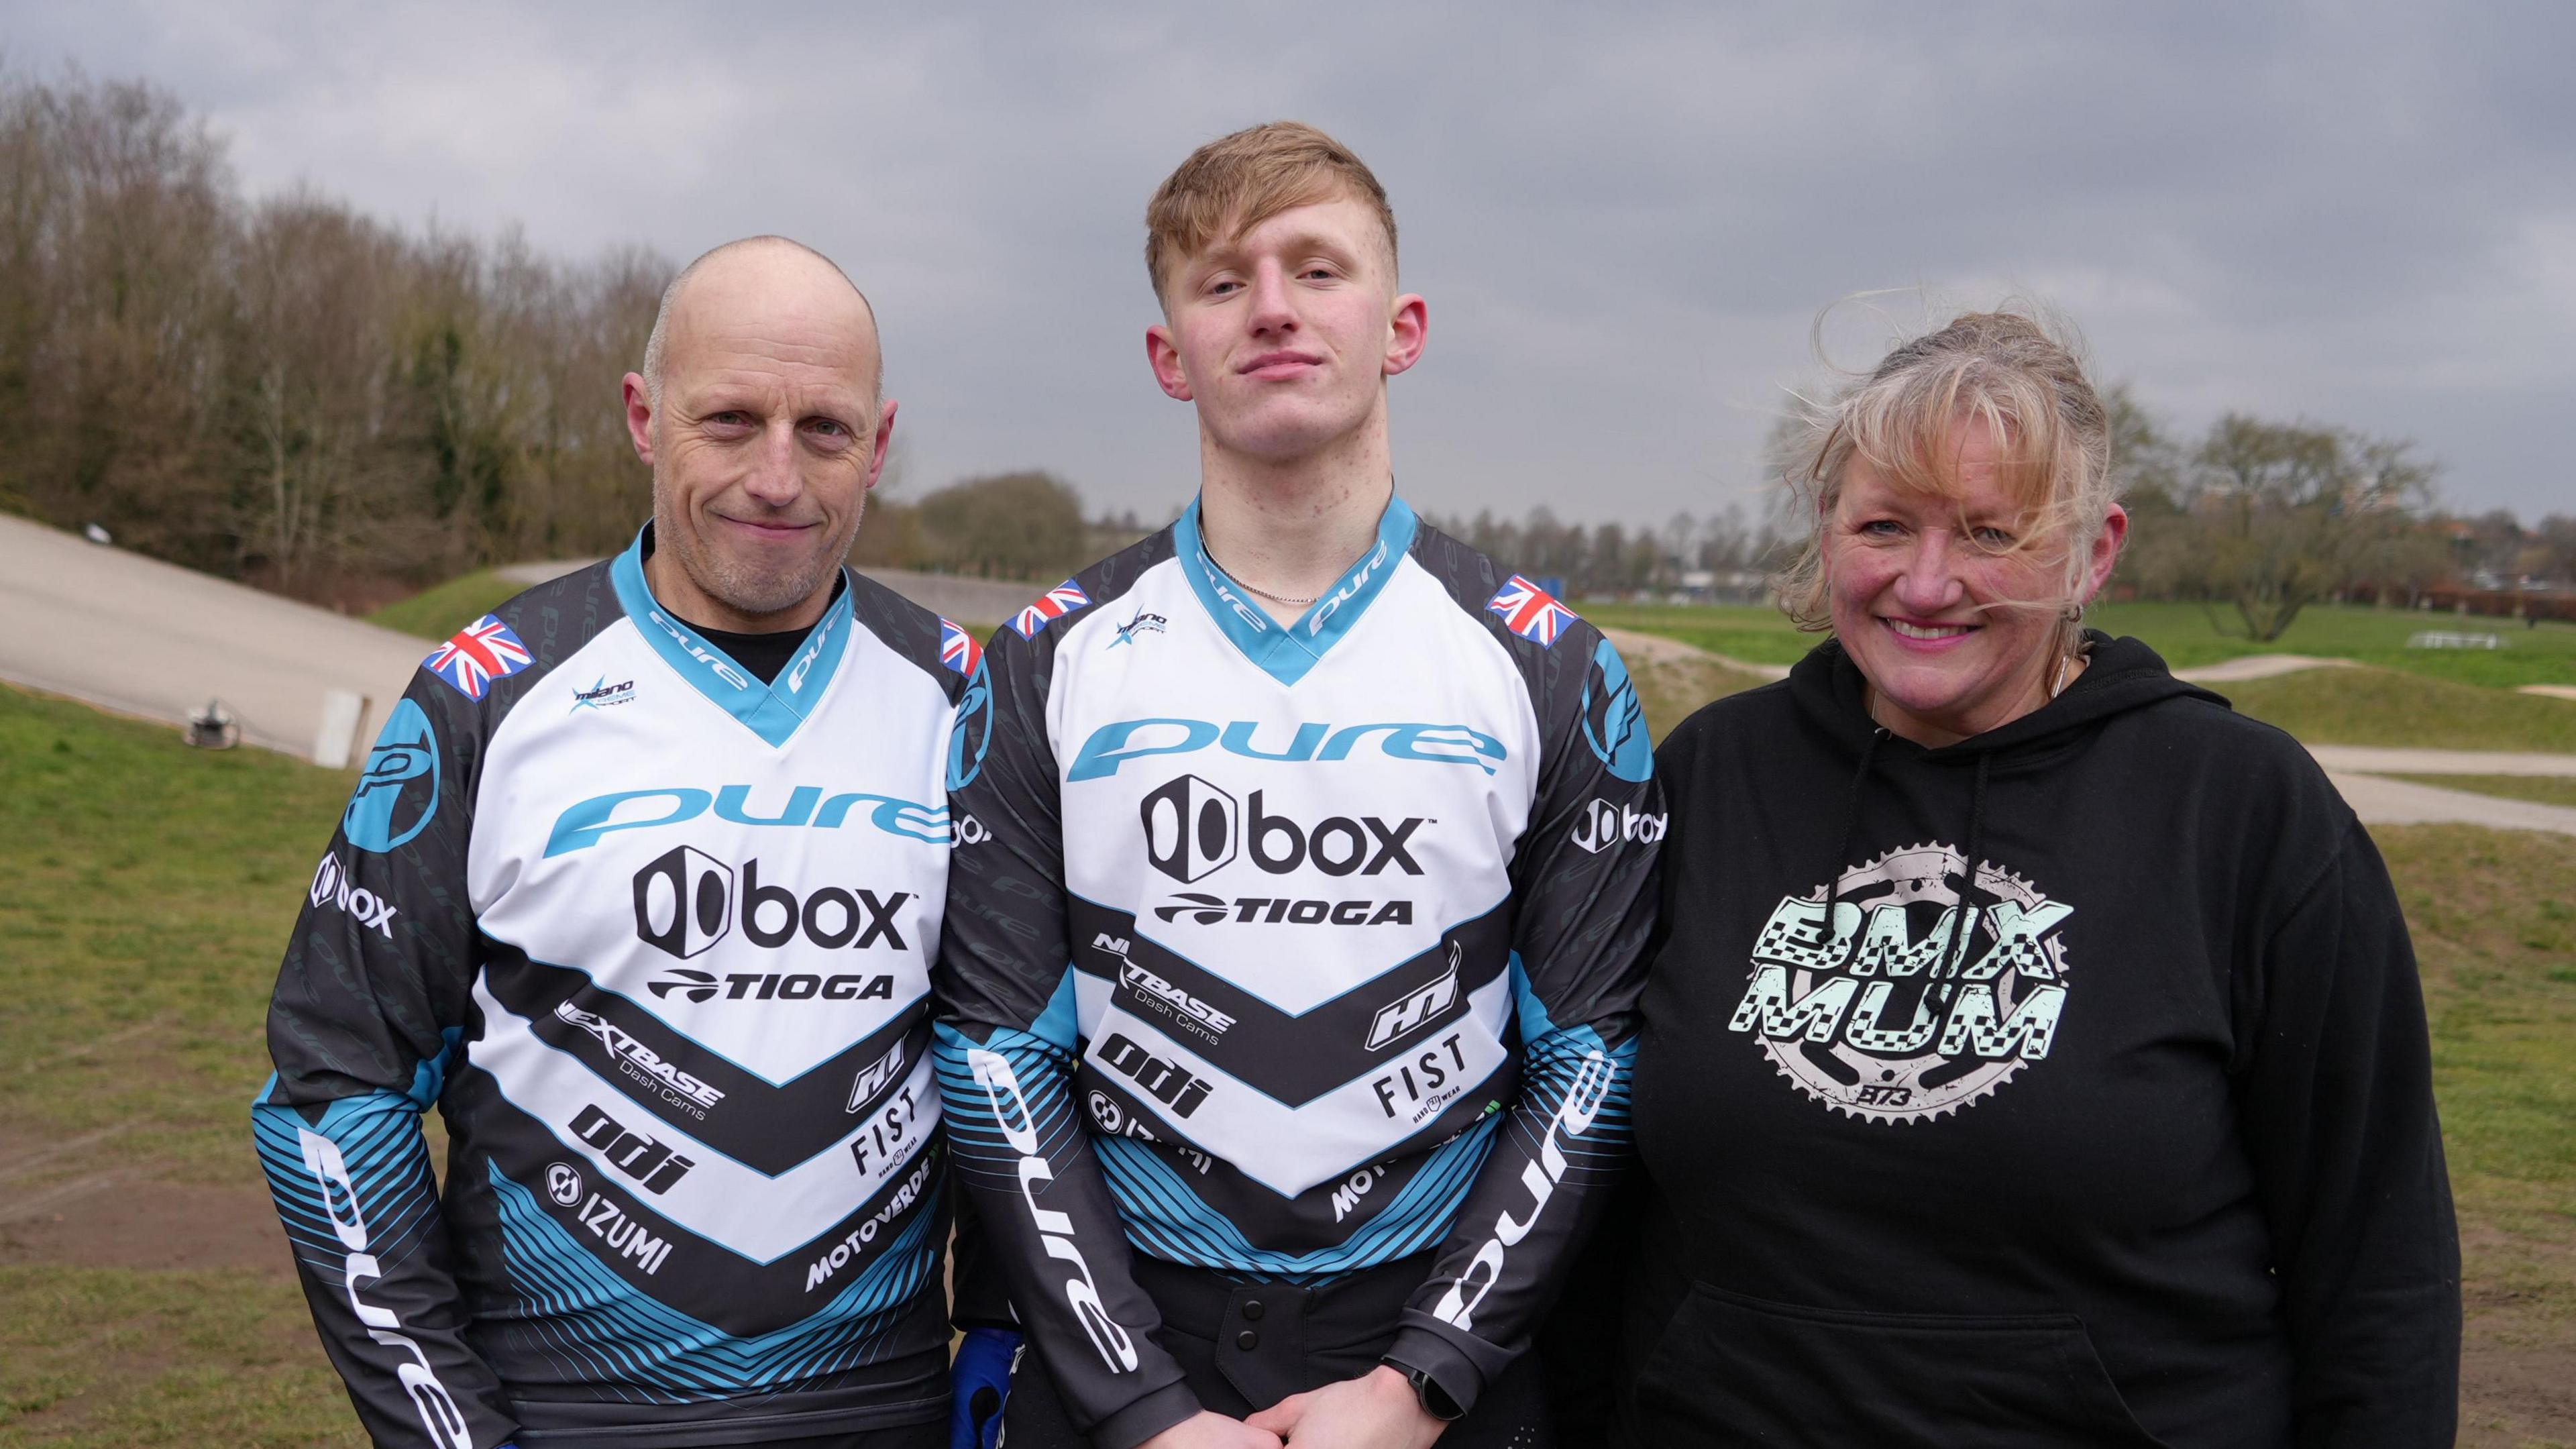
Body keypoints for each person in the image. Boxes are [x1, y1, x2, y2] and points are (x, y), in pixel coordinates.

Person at [1597, 311, 2459, 1445]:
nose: (1927, 582)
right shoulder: (1713, 776)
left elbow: (2375, 1262)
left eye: (1992, 534)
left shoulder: (2242, 811)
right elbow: (1596, 1177)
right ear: (1827, 529)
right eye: (1885, 525)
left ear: (2094, 553)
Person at [930, 122, 1663, 1449]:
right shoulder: (1043, 659)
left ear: (1403, 326)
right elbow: (994, 1057)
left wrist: (1426, 1379)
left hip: (1435, 1364)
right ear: (1170, 353)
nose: (1272, 309)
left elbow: (1592, 1063)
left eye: (1318, 270)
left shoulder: (1554, 664)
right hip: (1123, 1355)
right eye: (1223, 281)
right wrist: (1141, 1404)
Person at [254, 236, 1012, 1449]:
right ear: (643, 417)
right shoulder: (487, 693)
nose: (777, 476)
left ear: (878, 444)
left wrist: (1002, 1333)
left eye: (824, 429)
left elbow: (1029, 1060)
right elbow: (334, 1089)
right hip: (561, 1404)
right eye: (729, 419)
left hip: (885, 1402)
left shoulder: (972, 699)